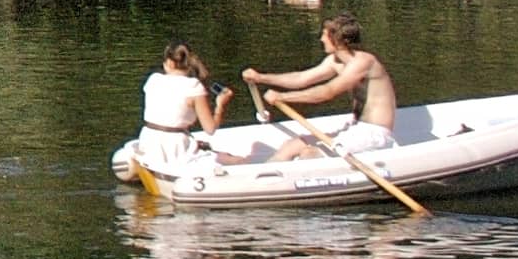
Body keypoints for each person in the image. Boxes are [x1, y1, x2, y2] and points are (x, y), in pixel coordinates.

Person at [245, 14, 398, 157]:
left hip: (374, 133)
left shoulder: (363, 62)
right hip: (356, 127)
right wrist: (260, 78)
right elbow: (301, 78)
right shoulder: (335, 61)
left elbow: (327, 92)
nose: (321, 39)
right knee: (292, 145)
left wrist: (283, 97)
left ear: (335, 39)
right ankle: (258, 180)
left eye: (324, 35)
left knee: (311, 154)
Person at [138, 42, 234, 166]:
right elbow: (210, 129)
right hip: (176, 147)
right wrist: (220, 105)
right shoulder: (193, 87)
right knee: (232, 159)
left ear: (170, 62)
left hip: (149, 140)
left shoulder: (153, 79)